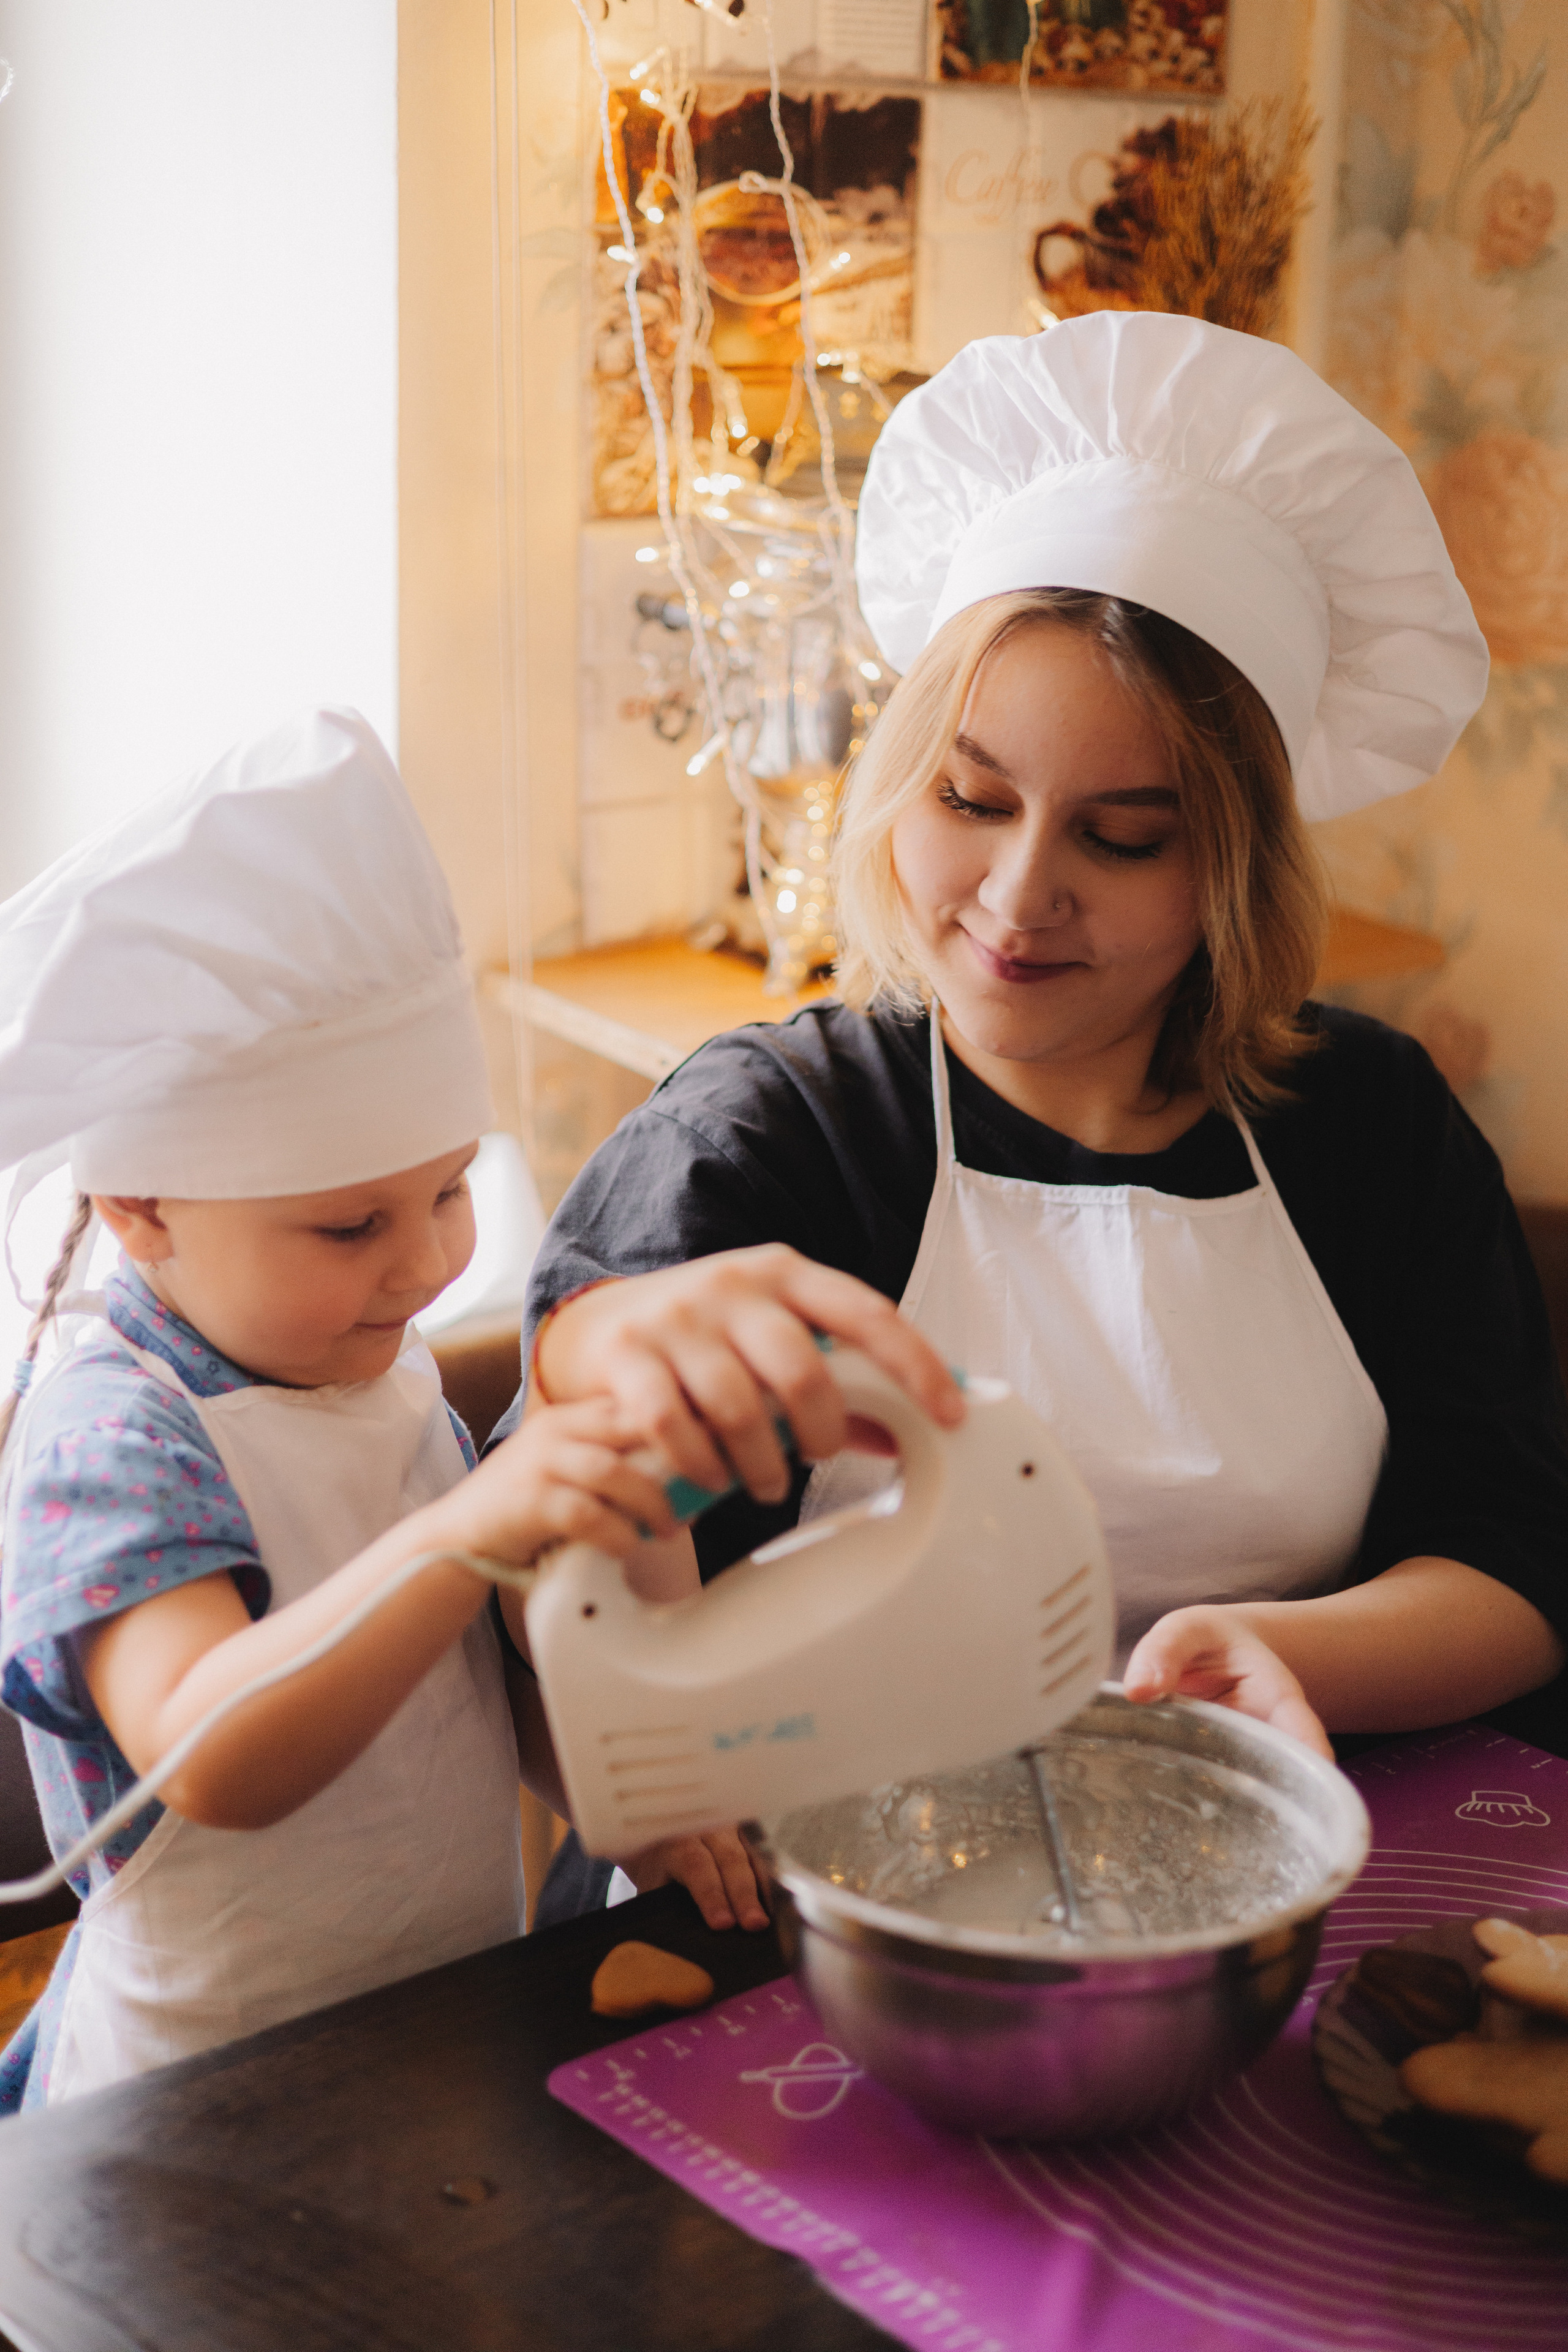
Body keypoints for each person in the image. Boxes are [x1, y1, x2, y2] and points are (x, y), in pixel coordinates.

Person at [502, 313, 1568, 1921]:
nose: (1014, 900)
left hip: (1256, 1863)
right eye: (971, 799)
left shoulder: (1369, 1128)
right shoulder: (766, 1145)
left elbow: (1511, 1568)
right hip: (820, 1908)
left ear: (1235, 871)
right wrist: (600, 1412)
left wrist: (1275, 1655)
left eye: (1124, 836)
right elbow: (572, 1629)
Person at [0, 709, 688, 2110]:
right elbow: (210, 1755)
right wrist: (466, 1535)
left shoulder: (372, 1367)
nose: (432, 1262)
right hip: (198, 2109)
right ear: (140, 1208)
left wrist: (639, 1807)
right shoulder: (115, 1441)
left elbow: (473, 1692)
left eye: (448, 1190)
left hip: (433, 2035)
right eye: (350, 1225)